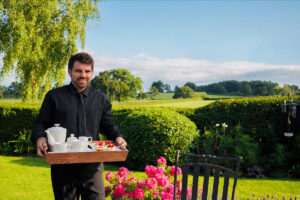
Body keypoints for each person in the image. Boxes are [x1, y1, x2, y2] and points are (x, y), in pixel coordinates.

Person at [31, 52, 127, 200]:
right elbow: (40, 123)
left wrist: (118, 137)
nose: (83, 75)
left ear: (92, 73)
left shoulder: (101, 98)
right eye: (78, 71)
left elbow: (108, 125)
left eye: (87, 71)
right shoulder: (54, 97)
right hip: (63, 169)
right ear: (69, 72)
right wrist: (39, 138)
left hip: (92, 168)